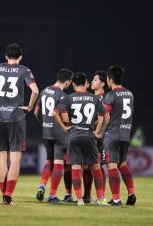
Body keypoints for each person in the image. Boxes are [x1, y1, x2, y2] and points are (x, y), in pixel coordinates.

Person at [0, 43, 39, 205]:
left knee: (2, 158)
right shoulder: (24, 70)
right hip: (16, 117)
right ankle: (8, 196)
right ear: (20, 57)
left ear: (6, 56)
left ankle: (4, 195)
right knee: (16, 159)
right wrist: (30, 107)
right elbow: (35, 90)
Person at [53, 72, 110, 206]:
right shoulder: (94, 98)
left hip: (73, 135)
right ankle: (101, 199)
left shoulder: (68, 98)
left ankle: (79, 200)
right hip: (89, 136)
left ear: (73, 84)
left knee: (76, 167)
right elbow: (106, 116)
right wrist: (99, 133)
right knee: (96, 167)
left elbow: (55, 113)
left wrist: (64, 128)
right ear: (86, 84)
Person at [34, 69, 73, 203]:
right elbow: (65, 119)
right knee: (58, 163)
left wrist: (44, 123)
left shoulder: (44, 91)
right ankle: (52, 195)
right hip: (59, 133)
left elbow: (36, 112)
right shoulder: (63, 96)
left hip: (46, 132)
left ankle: (42, 185)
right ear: (68, 81)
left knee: (49, 160)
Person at [103, 65, 136, 206]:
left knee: (111, 166)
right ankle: (131, 193)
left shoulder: (110, 95)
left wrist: (100, 132)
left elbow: (106, 116)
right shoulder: (130, 94)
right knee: (123, 164)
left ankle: (116, 198)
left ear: (110, 79)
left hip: (112, 134)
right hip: (125, 133)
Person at [82, 71, 108, 203]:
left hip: (97, 138)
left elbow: (104, 118)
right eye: (92, 79)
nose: (92, 81)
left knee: (98, 166)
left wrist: (97, 132)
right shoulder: (93, 98)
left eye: (95, 80)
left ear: (103, 83)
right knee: (87, 166)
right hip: (89, 136)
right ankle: (87, 196)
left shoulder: (102, 98)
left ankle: (101, 196)